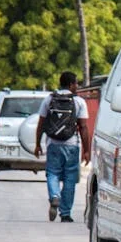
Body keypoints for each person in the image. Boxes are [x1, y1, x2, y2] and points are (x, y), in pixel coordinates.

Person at [34, 71, 90, 222]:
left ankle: (54, 196)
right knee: (70, 179)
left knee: (52, 173)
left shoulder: (49, 99)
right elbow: (84, 127)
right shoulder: (79, 102)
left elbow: (41, 124)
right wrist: (87, 150)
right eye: (76, 83)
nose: (77, 86)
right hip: (72, 146)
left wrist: (38, 144)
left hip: (53, 144)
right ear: (71, 84)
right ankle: (65, 214)